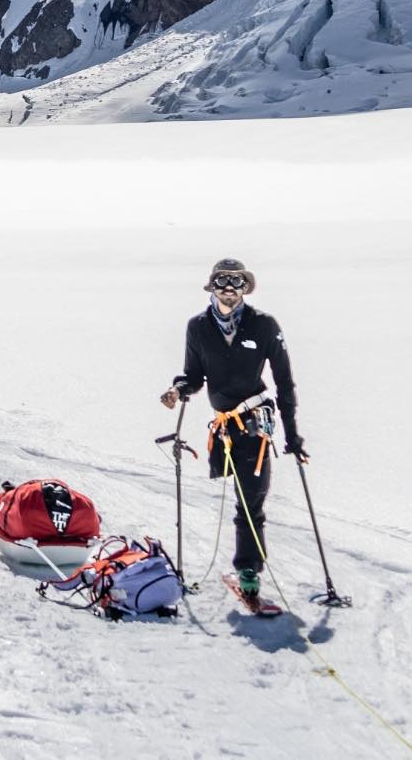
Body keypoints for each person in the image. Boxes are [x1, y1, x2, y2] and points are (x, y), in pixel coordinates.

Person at [158, 257, 304, 607]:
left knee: (252, 498)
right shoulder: (198, 327)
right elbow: (193, 374)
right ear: (212, 286)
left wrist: (292, 435)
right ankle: (246, 568)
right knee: (243, 496)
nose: (228, 286)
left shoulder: (264, 326)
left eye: (236, 281)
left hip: (255, 425)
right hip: (224, 428)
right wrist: (179, 390)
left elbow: (284, 382)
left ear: (245, 287)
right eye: (222, 280)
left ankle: (249, 572)